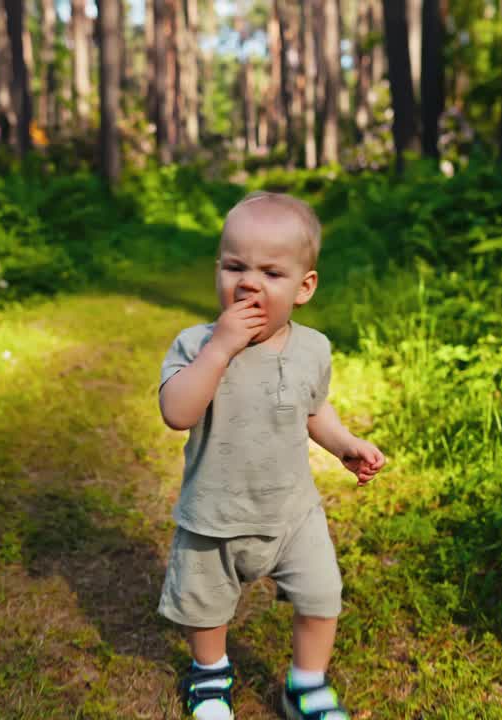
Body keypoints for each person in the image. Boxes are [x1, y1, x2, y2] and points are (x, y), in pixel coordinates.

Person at [157, 191, 386, 720]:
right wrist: (221, 349)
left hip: (291, 512)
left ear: (304, 287)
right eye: (235, 266)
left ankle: (305, 685)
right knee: (206, 606)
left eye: (271, 273)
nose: (249, 282)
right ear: (217, 270)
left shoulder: (313, 348)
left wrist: (344, 444)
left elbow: (312, 410)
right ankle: (211, 676)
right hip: (215, 513)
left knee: (322, 595)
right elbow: (177, 412)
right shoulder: (197, 344)